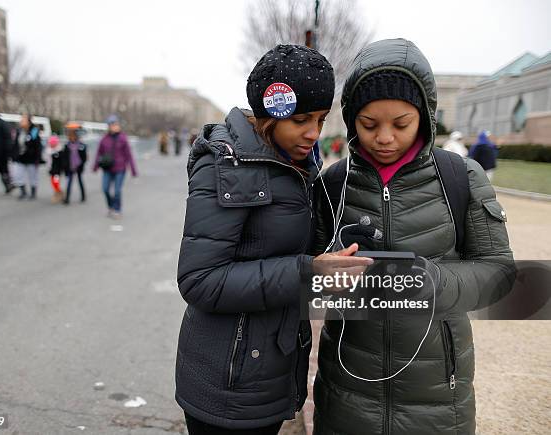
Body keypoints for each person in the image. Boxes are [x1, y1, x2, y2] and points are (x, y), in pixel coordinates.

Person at [312, 39, 514, 435]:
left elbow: (500, 273)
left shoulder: (460, 177)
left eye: (401, 123)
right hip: (347, 389)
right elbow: (307, 283)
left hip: (438, 392)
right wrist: (325, 274)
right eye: (369, 125)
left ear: (424, 116)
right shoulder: (334, 184)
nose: (385, 137)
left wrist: (434, 283)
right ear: (352, 118)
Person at [175, 44, 372, 434]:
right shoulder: (226, 164)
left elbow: (281, 249)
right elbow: (199, 279)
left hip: (270, 367)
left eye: (320, 118)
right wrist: (308, 271)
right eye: (301, 119)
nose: (314, 133)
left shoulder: (295, 163)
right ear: (269, 115)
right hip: (227, 377)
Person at [92, 115, 137, 218]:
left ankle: (117, 209)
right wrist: (95, 167)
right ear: (108, 126)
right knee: (105, 189)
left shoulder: (123, 138)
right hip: (107, 168)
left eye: (116, 124)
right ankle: (111, 206)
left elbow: (129, 154)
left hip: (120, 168)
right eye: (112, 124)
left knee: (117, 191)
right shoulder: (104, 139)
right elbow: (99, 153)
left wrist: (133, 170)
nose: (115, 126)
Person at [12, 114, 42, 200]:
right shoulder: (19, 131)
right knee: (18, 175)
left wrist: (37, 158)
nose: (21, 121)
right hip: (20, 158)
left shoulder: (34, 131)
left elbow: (37, 145)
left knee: (32, 176)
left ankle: (33, 193)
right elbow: (15, 144)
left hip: (31, 158)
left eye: (23, 120)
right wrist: (13, 155)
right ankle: (23, 192)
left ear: (28, 121)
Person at [61, 127, 87, 205]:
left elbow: (84, 157)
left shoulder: (81, 145)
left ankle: (83, 196)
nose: (72, 138)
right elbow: (64, 157)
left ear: (76, 136)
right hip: (70, 167)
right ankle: (67, 198)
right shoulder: (67, 146)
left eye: (73, 136)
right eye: (70, 136)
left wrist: (81, 164)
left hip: (79, 166)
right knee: (69, 182)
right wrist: (65, 166)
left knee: (80, 181)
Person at [47, 134, 64, 204]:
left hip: (57, 171)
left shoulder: (59, 151)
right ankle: (59, 193)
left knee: (56, 182)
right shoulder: (49, 150)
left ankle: (59, 193)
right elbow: (48, 161)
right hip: (51, 170)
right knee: (53, 182)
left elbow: (61, 162)